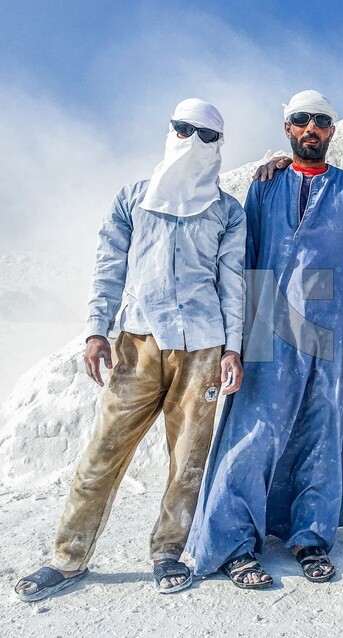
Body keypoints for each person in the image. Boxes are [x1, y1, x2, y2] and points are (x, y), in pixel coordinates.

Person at [14, 98, 246, 601]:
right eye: (184, 129)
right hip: (137, 342)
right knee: (103, 448)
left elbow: (233, 283)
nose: (193, 143)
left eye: (206, 135)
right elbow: (109, 266)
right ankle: (67, 558)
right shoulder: (134, 199)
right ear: (170, 130)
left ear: (219, 145)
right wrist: (97, 330)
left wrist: (233, 347)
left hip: (202, 348)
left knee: (187, 458)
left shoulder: (227, 211)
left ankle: (167, 552)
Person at [186, 90, 343, 587]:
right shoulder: (265, 187)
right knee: (251, 436)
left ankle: (310, 539)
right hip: (267, 328)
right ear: (288, 128)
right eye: (301, 120)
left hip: (331, 331)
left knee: (321, 435)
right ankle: (233, 543)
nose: (311, 128)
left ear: (332, 131)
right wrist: (233, 338)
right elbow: (242, 262)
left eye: (320, 121)